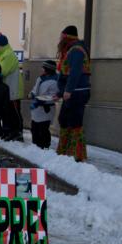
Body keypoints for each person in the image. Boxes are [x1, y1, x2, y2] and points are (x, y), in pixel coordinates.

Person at [55, 25, 91, 162]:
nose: (59, 40)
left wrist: (68, 90)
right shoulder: (71, 50)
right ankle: (65, 151)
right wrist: (60, 93)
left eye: (61, 36)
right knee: (64, 120)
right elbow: (65, 74)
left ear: (67, 37)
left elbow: (75, 72)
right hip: (72, 92)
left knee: (74, 122)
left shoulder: (76, 50)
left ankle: (77, 154)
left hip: (77, 93)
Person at [0, 34, 24, 141]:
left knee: (14, 112)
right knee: (7, 111)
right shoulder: (1, 54)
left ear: (1, 45)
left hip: (13, 89)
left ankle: (17, 132)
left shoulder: (8, 55)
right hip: (7, 88)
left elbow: (2, 71)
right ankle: (9, 131)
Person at [28, 60, 59, 149]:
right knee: (34, 128)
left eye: (43, 67)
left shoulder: (55, 80)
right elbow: (35, 89)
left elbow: (52, 96)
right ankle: (35, 146)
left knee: (43, 129)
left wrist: (39, 102)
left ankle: (44, 146)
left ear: (48, 69)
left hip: (46, 108)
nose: (42, 69)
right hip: (37, 108)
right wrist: (31, 94)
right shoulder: (41, 78)